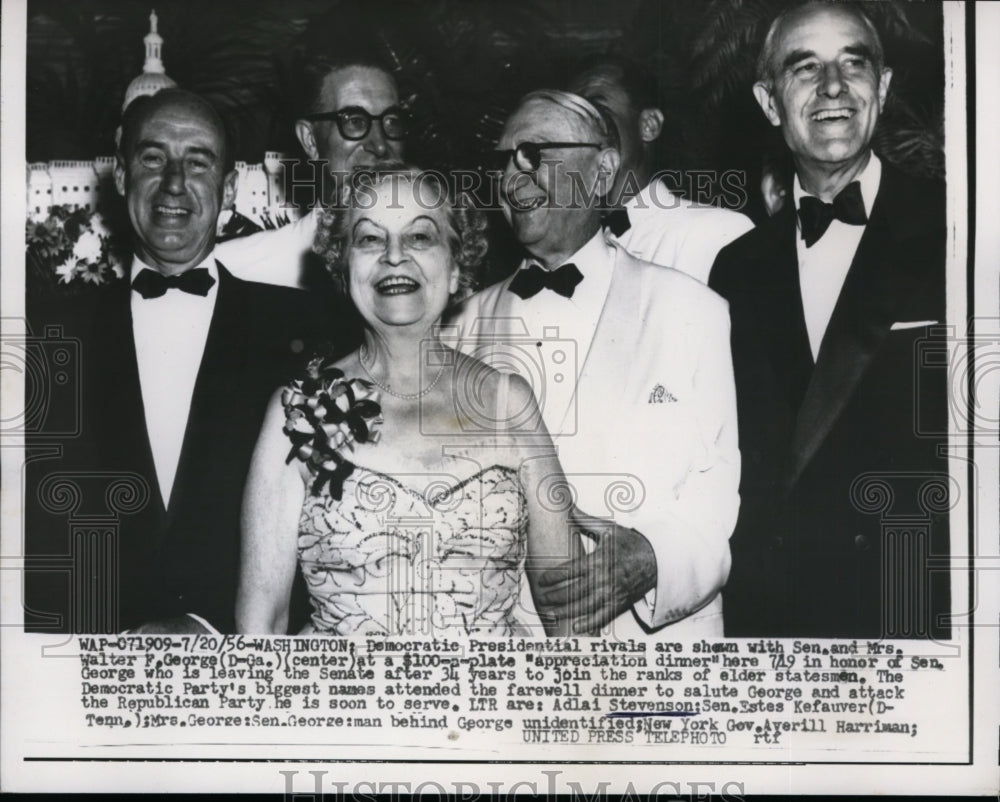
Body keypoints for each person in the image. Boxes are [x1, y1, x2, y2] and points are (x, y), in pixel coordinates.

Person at [25, 89, 329, 634]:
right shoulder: (45, 338)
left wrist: (208, 624)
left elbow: (330, 529)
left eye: (198, 161)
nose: (173, 183)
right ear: (121, 179)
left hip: (239, 665)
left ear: (229, 187)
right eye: (152, 158)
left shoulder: (304, 331)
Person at [237, 167, 589, 637]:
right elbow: (260, 626)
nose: (394, 256)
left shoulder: (510, 404)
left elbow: (570, 614)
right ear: (343, 268)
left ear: (457, 266)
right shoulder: (297, 412)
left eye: (420, 236)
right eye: (369, 240)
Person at [449, 90, 740, 638]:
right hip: (504, 661)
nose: (514, 175)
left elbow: (717, 498)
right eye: (502, 160)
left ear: (604, 169)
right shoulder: (459, 326)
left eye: (535, 153)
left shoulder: (694, 310)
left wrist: (653, 556)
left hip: (656, 659)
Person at [709, 1, 950, 638]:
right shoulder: (735, 269)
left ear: (885, 86)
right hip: (776, 624)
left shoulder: (962, 232)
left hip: (918, 611)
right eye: (804, 68)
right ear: (768, 102)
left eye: (854, 63)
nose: (834, 87)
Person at [216, 48, 405, 289]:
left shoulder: (445, 266)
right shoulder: (240, 269)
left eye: (392, 122)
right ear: (310, 140)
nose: (379, 145)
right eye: (355, 122)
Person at [568, 57, 753, 283]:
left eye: (598, 111)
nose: (578, 131)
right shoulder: (568, 247)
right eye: (569, 118)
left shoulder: (717, 231)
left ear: (648, 126)